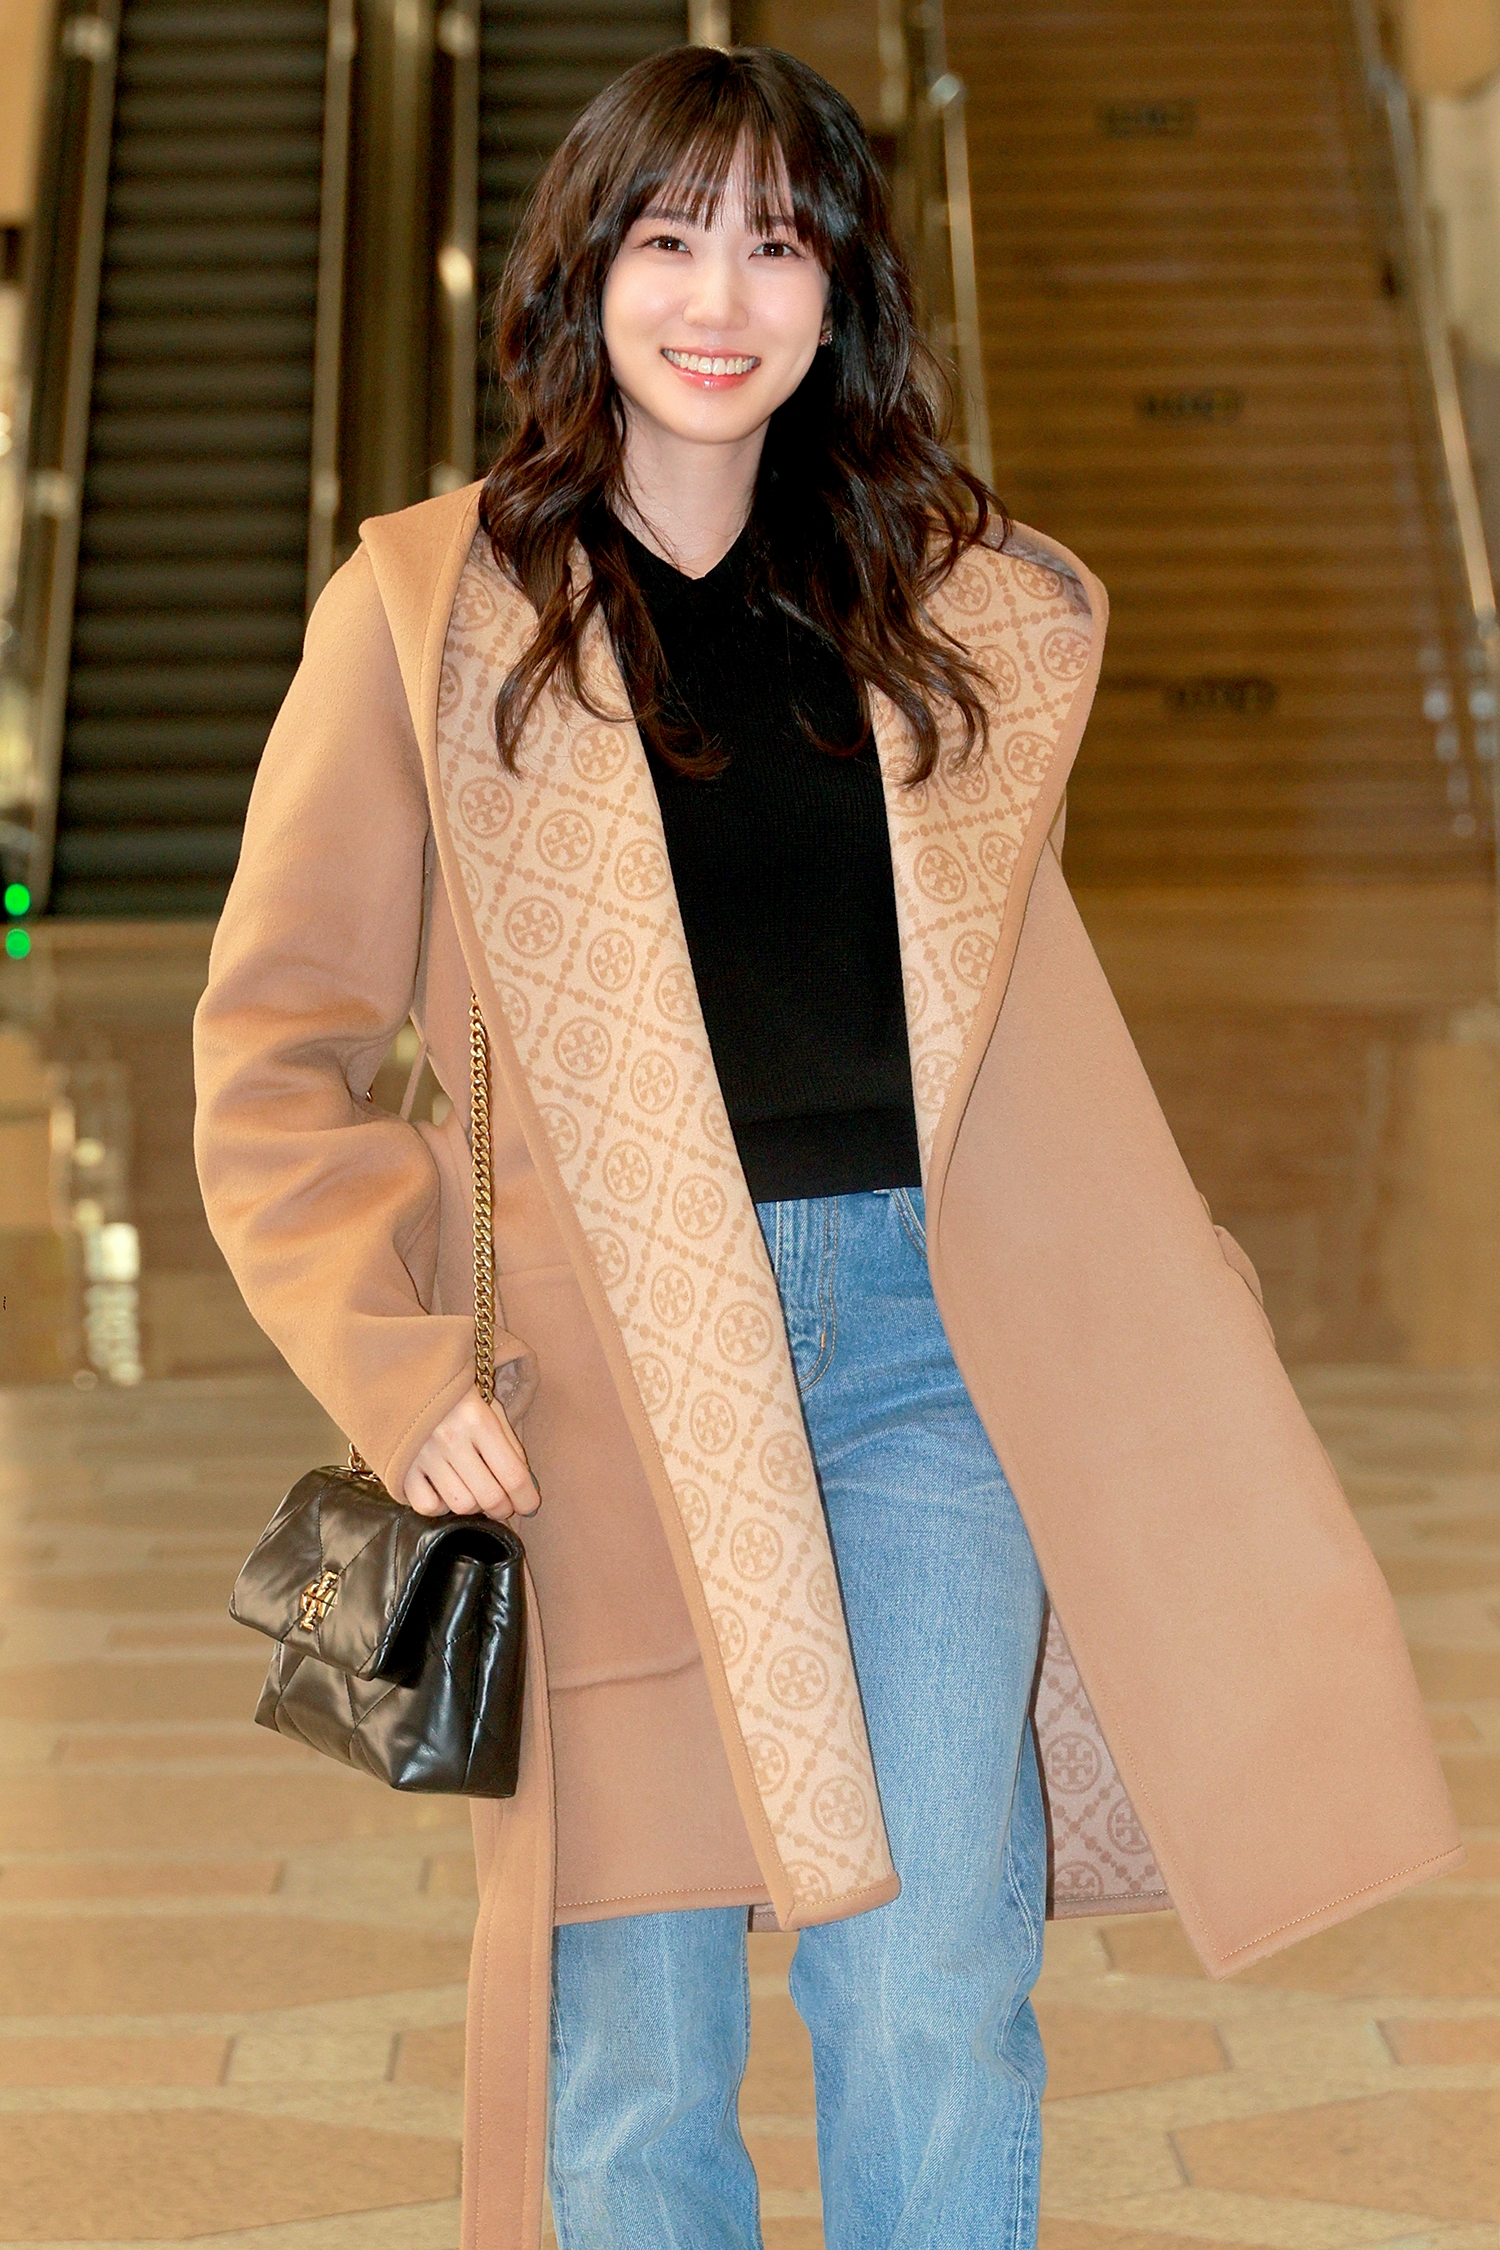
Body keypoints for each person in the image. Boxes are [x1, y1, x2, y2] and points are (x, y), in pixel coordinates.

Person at [194, 44, 1460, 2250]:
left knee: (938, 1975)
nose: (720, 296)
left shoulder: (940, 616)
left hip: (922, 1356)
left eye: (777, 243)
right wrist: (400, 1367)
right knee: (636, 2042)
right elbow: (278, 1048)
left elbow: (1021, 1046)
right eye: (670, 236)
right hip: (598, 1391)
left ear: (842, 286)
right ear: (582, 273)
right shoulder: (428, 614)